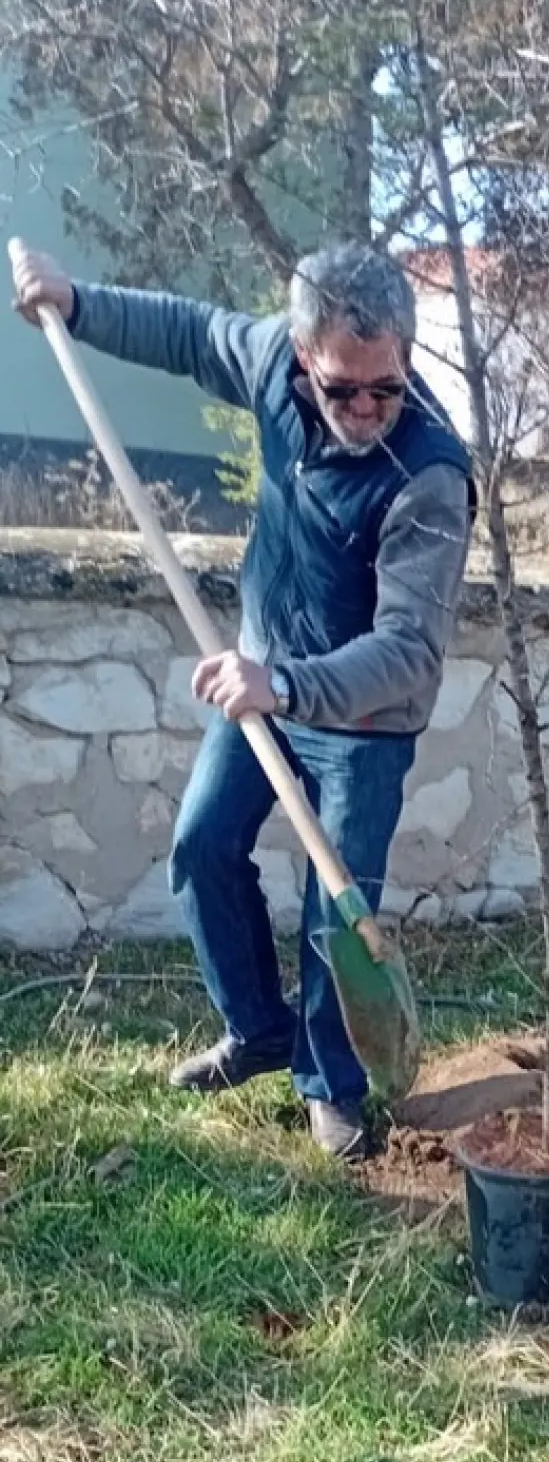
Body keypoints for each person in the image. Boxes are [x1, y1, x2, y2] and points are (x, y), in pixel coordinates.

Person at [11, 242, 473, 1160]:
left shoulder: (428, 472)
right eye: (343, 389)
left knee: (339, 910)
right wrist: (78, 300)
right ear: (303, 358)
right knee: (202, 848)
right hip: (264, 677)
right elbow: (189, 333)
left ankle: (330, 1084)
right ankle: (258, 1029)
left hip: (362, 722)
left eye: (387, 387)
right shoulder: (268, 362)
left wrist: (288, 685)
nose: (367, 409)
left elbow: (410, 651)